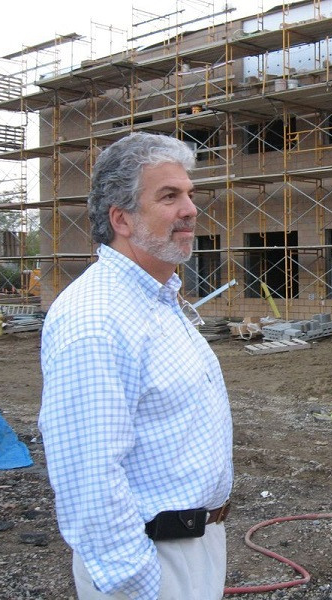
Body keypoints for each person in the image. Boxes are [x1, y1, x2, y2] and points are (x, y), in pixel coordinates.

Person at [39, 132, 233, 599]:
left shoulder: (155, 299)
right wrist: (138, 584)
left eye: (189, 194)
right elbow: (89, 479)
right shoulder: (96, 319)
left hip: (193, 544)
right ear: (121, 218)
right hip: (151, 561)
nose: (190, 209)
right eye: (169, 196)